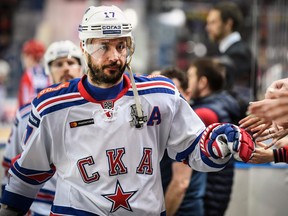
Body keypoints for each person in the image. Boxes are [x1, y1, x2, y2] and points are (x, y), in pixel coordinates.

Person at [0, 5, 255, 216]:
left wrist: (221, 143)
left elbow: (195, 151)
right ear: (84, 47)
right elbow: (29, 175)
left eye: (121, 46)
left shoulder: (160, 95)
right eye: (104, 46)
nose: (115, 56)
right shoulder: (52, 106)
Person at [1, 40, 84, 215]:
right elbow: (10, 167)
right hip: (38, 208)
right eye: (59, 64)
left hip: (81, 208)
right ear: (48, 70)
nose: (65, 68)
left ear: (81, 67)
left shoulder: (97, 110)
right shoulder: (26, 114)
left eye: (71, 62)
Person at [187, 57, 240, 216]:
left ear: (202, 82)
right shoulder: (219, 105)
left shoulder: (204, 113)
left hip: (206, 195)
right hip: (215, 192)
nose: (187, 81)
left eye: (190, 76)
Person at [159, 67, 206, 216]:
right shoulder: (163, 123)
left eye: (174, 92)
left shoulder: (185, 127)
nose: (169, 99)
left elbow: (180, 184)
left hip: (181, 209)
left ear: (187, 94)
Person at [205, 1, 257, 120]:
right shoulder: (227, 52)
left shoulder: (239, 54)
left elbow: (241, 99)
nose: (207, 28)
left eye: (213, 22)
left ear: (228, 23)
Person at [18, 39, 50, 107]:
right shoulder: (48, 73)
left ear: (30, 57)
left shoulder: (28, 75)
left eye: (24, 57)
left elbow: (25, 103)